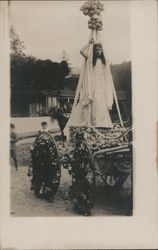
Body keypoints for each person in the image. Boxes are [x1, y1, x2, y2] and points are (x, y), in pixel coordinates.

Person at [64, 36, 114, 137]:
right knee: (93, 104)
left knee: (102, 105)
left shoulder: (104, 62)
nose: (99, 51)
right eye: (97, 49)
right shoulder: (91, 60)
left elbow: (107, 74)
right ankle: (92, 124)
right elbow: (81, 51)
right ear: (94, 51)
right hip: (93, 85)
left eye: (100, 49)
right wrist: (89, 43)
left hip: (102, 85)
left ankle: (103, 127)